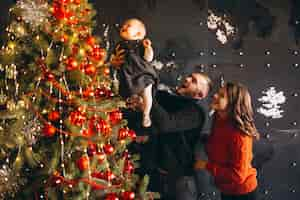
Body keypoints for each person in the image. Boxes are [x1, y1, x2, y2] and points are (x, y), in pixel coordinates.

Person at [128, 72, 214, 200]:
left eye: (194, 81)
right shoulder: (165, 97)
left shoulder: (195, 113)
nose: (187, 79)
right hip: (154, 175)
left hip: (179, 183)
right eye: (189, 76)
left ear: (199, 95)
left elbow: (166, 124)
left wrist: (147, 100)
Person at [194, 81, 259, 200]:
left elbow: (238, 176)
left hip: (242, 193)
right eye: (217, 93)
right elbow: (219, 142)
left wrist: (206, 166)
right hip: (226, 188)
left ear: (232, 104)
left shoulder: (240, 136)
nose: (215, 96)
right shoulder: (219, 117)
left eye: (221, 96)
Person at [111, 18, 158, 127]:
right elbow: (113, 59)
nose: (124, 27)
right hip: (127, 76)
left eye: (128, 26)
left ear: (138, 34)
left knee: (147, 92)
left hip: (143, 73)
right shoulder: (119, 45)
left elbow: (148, 58)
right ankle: (134, 108)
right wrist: (113, 62)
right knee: (128, 96)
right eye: (124, 25)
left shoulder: (141, 44)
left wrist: (148, 48)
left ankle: (146, 114)